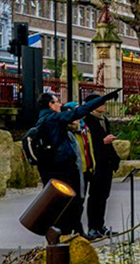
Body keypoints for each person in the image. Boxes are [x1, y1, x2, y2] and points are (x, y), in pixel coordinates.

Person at [33, 89, 118, 236]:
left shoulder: (45, 120)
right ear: (50, 104)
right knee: (70, 201)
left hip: (55, 167)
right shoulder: (53, 119)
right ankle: (62, 233)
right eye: (57, 101)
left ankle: (73, 231)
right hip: (61, 167)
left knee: (70, 201)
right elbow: (77, 113)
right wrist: (103, 99)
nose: (60, 104)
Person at [77, 105, 121, 239]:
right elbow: (89, 143)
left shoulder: (104, 120)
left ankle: (100, 225)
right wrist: (103, 141)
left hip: (107, 162)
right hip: (97, 163)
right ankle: (92, 227)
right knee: (95, 196)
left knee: (103, 196)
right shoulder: (88, 121)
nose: (104, 106)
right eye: (100, 103)